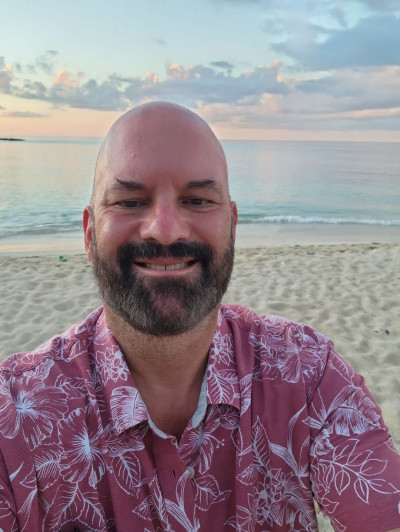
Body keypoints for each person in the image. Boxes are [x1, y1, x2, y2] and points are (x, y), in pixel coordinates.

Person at [0, 102, 399, 532]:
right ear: (88, 233)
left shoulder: (309, 376)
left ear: (232, 226)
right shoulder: (14, 418)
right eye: (130, 201)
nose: (165, 229)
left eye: (197, 200)